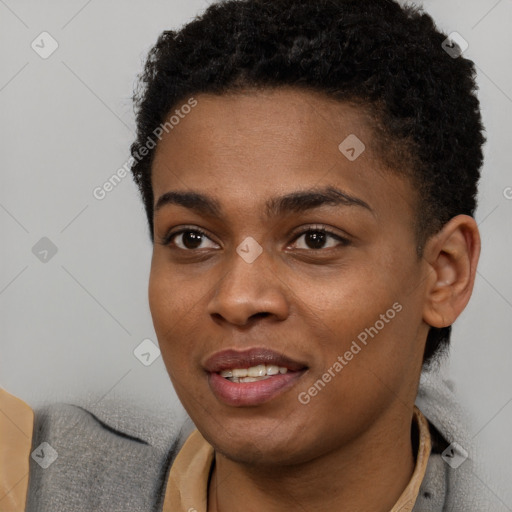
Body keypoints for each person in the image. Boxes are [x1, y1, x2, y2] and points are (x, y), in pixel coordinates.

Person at [1, 0, 500, 510]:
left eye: (315, 239)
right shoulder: (32, 476)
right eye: (192, 238)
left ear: (445, 274)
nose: (238, 299)